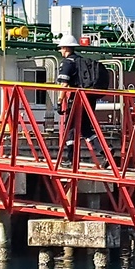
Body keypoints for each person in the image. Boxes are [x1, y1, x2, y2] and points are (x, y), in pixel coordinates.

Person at [56, 34, 110, 169]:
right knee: (86, 129)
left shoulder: (67, 63)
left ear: (65, 48)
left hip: (78, 99)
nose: (60, 51)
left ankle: (71, 159)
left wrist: (59, 101)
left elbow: (64, 84)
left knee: (70, 128)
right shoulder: (82, 61)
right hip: (89, 97)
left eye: (61, 48)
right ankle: (106, 152)